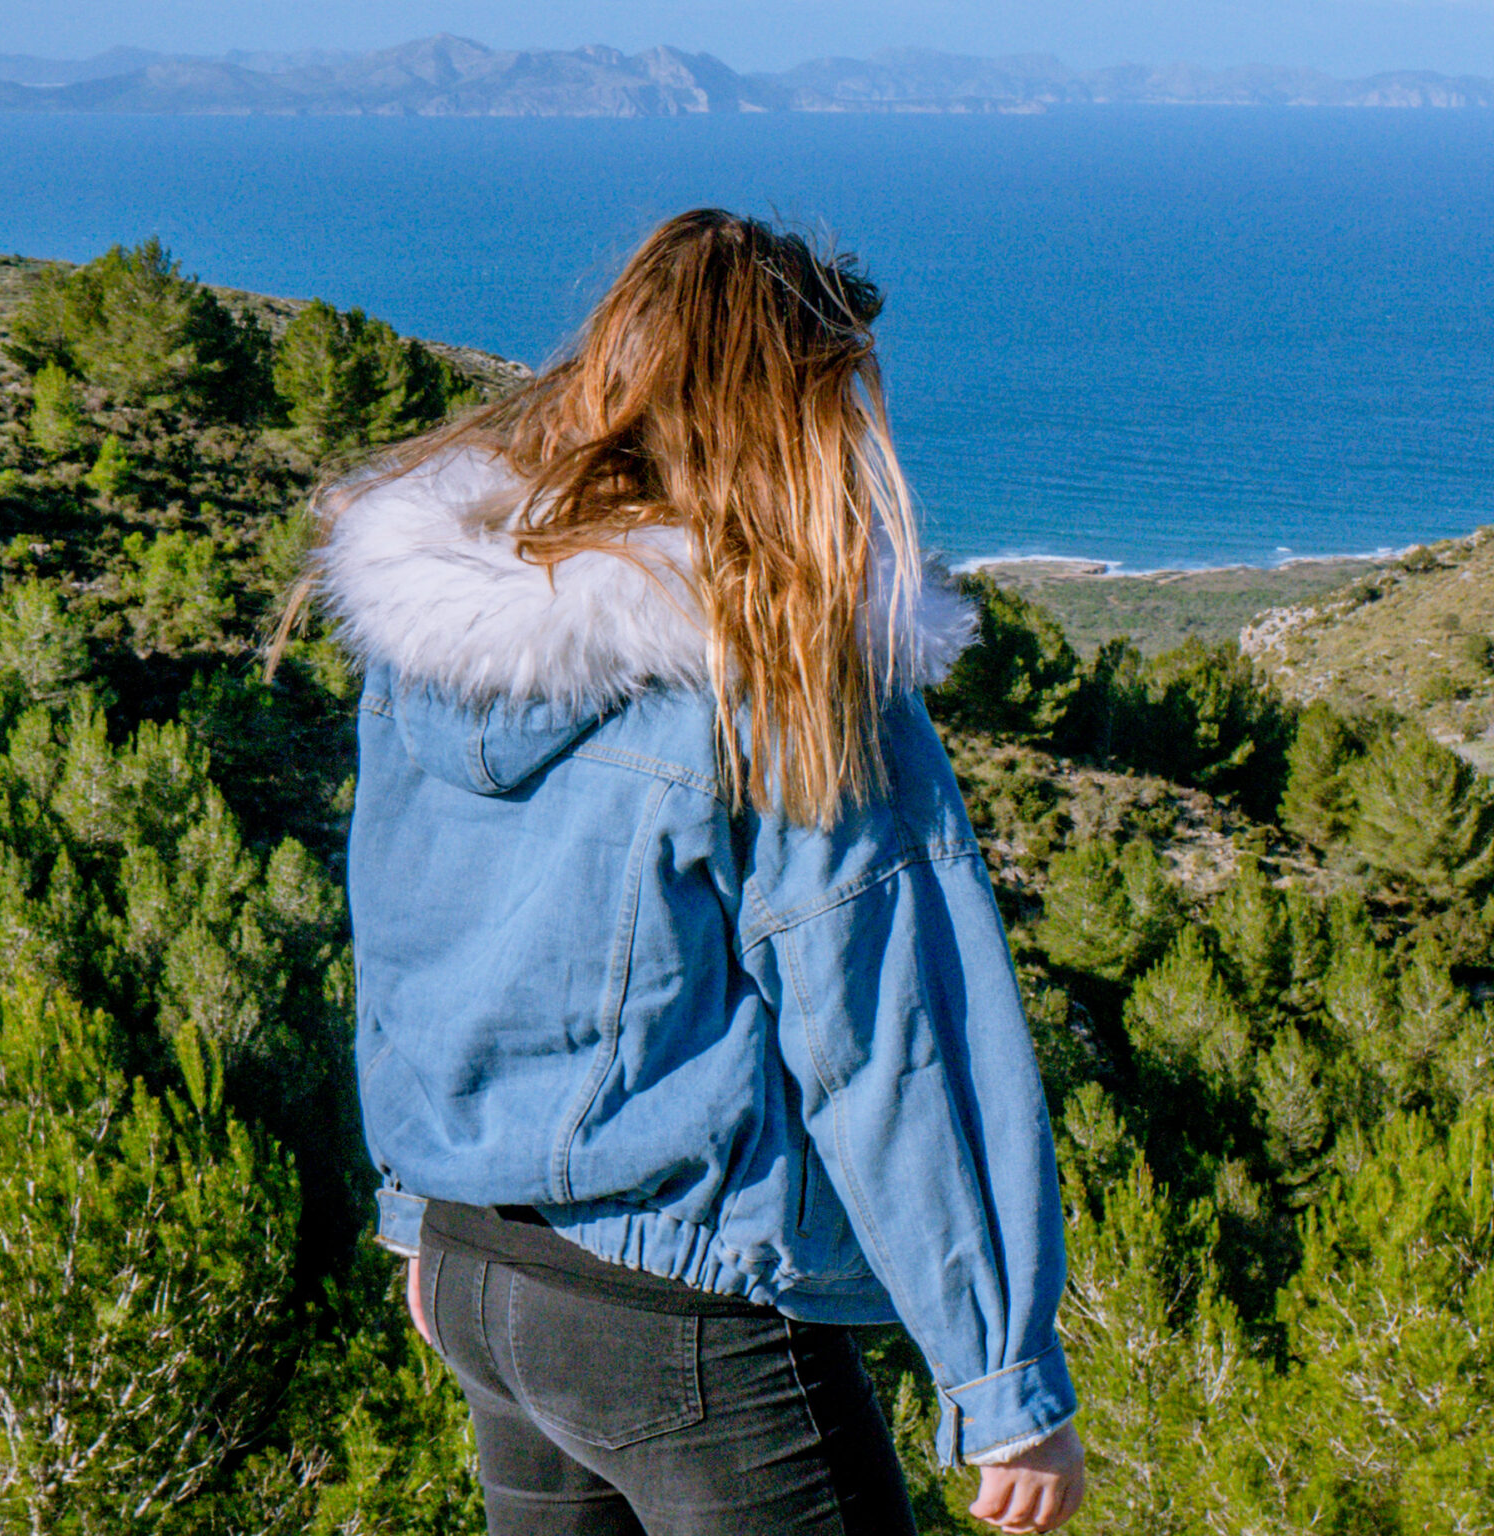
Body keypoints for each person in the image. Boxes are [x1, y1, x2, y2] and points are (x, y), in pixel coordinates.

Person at [297, 209, 1084, 1536]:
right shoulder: (772, 679)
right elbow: (891, 1047)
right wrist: (1004, 1380)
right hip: (686, 1320)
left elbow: (405, 931)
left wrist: (414, 1207)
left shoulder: (430, 640)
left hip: (486, 1274)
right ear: (799, 411)